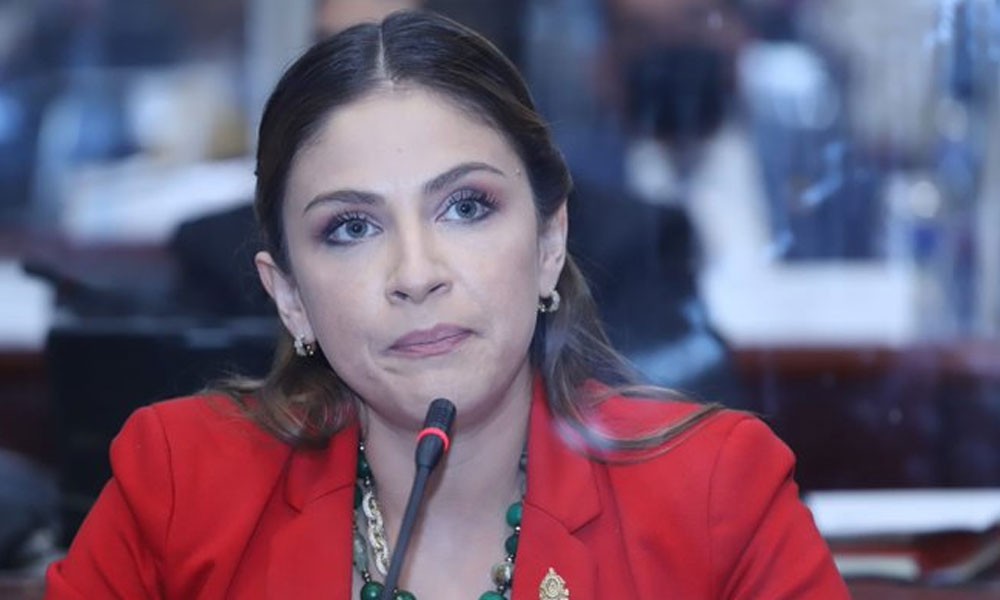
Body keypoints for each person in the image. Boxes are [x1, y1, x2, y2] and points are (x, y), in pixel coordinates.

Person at [44, 11, 848, 599]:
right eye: (351, 227)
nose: (415, 272)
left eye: (465, 207)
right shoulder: (180, 483)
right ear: (288, 295)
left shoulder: (716, 493)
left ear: (549, 242)